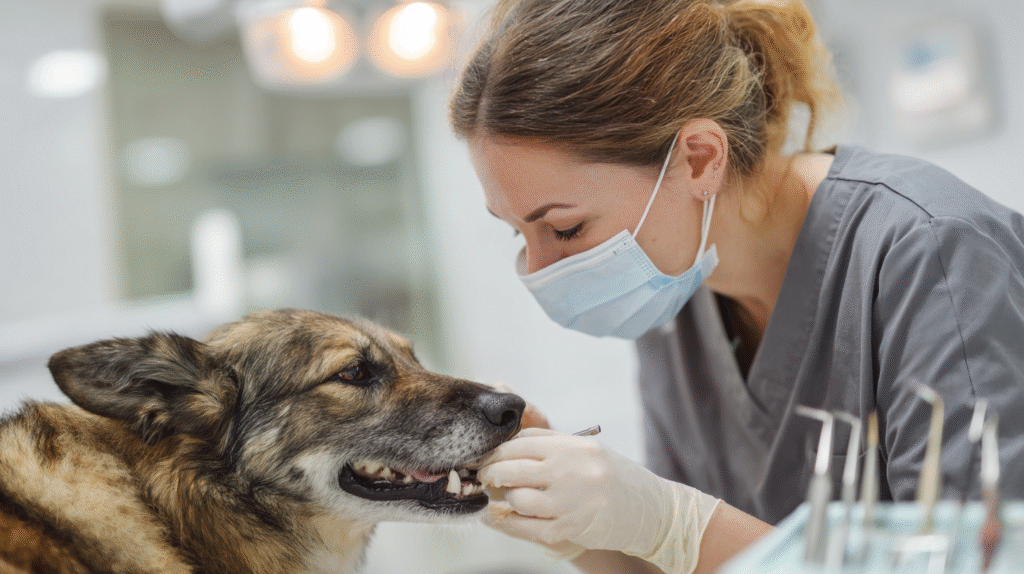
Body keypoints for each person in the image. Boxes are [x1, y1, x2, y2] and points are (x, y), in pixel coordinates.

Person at [447, 0, 1024, 573]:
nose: (541, 267)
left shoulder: (933, 251)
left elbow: (977, 563)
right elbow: (686, 563)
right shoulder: (674, 294)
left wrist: (674, 523)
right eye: (518, 233)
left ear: (699, 160)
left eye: (565, 227)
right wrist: (585, 533)